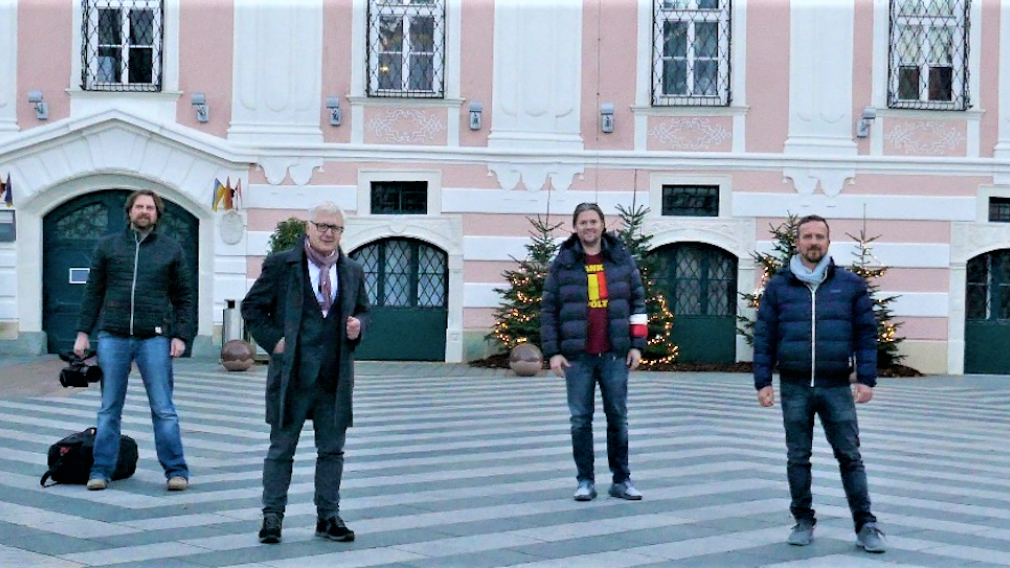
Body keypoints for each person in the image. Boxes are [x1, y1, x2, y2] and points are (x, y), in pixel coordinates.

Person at [753, 214, 886, 553]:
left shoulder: (849, 285)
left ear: (828, 242)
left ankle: (866, 524)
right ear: (797, 242)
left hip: (836, 386)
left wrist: (866, 378)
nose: (813, 242)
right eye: (807, 236)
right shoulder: (779, 286)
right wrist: (763, 380)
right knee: (798, 457)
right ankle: (803, 520)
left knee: (850, 456)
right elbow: (765, 335)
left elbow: (866, 334)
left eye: (820, 237)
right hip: (794, 386)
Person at [241, 202, 370, 545]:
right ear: (309, 228)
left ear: (342, 233)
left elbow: (363, 310)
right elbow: (252, 308)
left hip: (334, 376)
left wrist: (360, 326)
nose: (328, 233)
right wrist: (275, 343)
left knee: (332, 451)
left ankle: (328, 517)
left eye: (336, 228)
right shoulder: (282, 265)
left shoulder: (352, 270)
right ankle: (272, 517)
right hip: (292, 377)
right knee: (281, 449)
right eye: (322, 226)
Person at [74, 189, 195, 492]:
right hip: (112, 336)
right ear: (129, 212)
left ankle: (176, 471)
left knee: (164, 408)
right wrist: (82, 331)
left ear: (157, 214)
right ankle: (100, 470)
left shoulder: (171, 249)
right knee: (109, 408)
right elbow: (93, 292)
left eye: (150, 208)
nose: (144, 211)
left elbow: (184, 297)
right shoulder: (108, 247)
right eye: (139, 206)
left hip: (154, 337)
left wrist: (181, 334)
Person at [540, 202, 646, 502]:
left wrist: (637, 346)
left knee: (618, 418)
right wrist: (553, 352)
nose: (589, 227)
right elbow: (549, 310)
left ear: (602, 225)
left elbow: (638, 304)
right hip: (577, 357)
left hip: (614, 354)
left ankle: (621, 480)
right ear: (575, 227)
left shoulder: (621, 260)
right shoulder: (564, 263)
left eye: (594, 221)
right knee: (580, 420)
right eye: (583, 222)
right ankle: (585, 480)